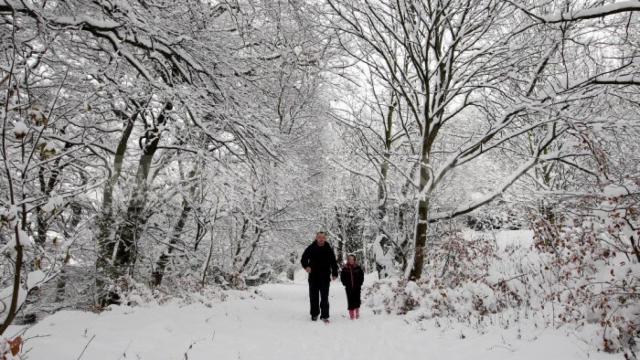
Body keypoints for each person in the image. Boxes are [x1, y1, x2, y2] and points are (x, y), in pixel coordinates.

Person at [300, 231, 338, 323]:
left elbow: (333, 262)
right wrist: (306, 266)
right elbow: (303, 258)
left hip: (325, 277)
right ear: (316, 238)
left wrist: (334, 273)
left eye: (323, 237)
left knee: (324, 297)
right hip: (313, 276)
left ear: (325, 239)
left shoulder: (328, 249)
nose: (321, 239)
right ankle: (314, 314)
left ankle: (325, 316)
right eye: (319, 237)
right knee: (314, 297)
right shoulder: (311, 248)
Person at [340, 254, 364, 320]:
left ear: (354, 260)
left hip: (357, 287)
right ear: (348, 260)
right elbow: (342, 277)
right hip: (349, 288)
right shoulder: (345, 268)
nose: (351, 260)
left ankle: (357, 313)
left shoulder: (358, 268)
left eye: (352, 259)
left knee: (357, 300)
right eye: (350, 259)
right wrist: (345, 283)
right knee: (350, 300)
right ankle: (352, 315)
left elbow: (361, 276)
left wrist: (360, 283)